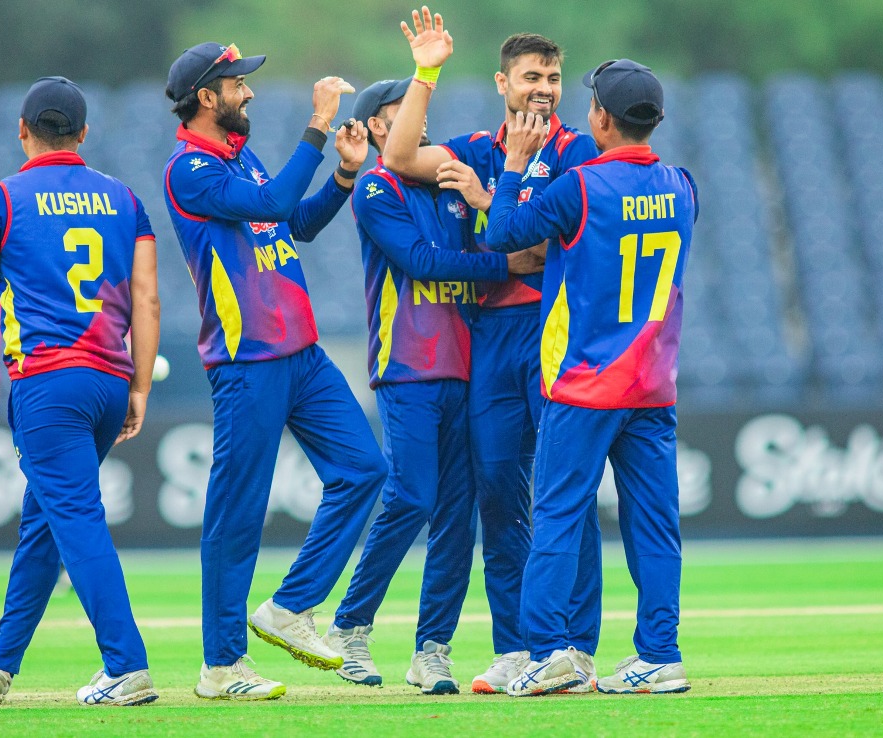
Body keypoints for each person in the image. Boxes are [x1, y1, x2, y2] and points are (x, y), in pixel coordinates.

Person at [384, 6, 603, 694]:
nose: (544, 89)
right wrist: (425, 73)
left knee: (564, 490)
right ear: (503, 83)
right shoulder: (478, 146)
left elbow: (538, 243)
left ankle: (577, 647)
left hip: (553, 331)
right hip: (490, 338)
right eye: (532, 77)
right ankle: (517, 647)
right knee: (499, 494)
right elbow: (397, 157)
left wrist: (487, 199)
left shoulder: (576, 153)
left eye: (554, 78)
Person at [161, 41, 387, 701]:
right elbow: (275, 201)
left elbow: (295, 220)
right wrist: (317, 125)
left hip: (301, 354)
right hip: (247, 361)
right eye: (237, 84)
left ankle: (290, 607)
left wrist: (343, 177)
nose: (249, 92)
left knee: (364, 469)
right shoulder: (189, 170)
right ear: (208, 97)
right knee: (237, 514)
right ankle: (221, 665)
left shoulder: (241, 156)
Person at [320, 79, 544, 694]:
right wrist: (506, 264)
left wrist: (489, 205)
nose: (418, 123)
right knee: (412, 497)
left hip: (468, 369)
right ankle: (350, 626)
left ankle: (432, 650)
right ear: (375, 128)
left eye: (419, 114)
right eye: (401, 114)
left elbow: (494, 237)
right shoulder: (375, 187)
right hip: (408, 367)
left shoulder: (449, 185)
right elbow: (422, 262)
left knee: (456, 516)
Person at [0, 76, 161, 706]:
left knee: (76, 519)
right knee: (45, 522)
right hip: (109, 381)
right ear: (83, 134)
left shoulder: (2, 200)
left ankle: (126, 665)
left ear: (22, 130)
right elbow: (147, 299)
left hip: (48, 385)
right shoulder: (126, 200)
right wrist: (140, 387)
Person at [484, 59, 698, 697]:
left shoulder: (578, 186)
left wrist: (515, 165)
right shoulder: (683, 185)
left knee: (556, 516)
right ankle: (660, 655)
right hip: (652, 385)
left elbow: (501, 234)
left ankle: (551, 652)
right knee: (654, 524)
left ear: (601, 118)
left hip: (584, 384)